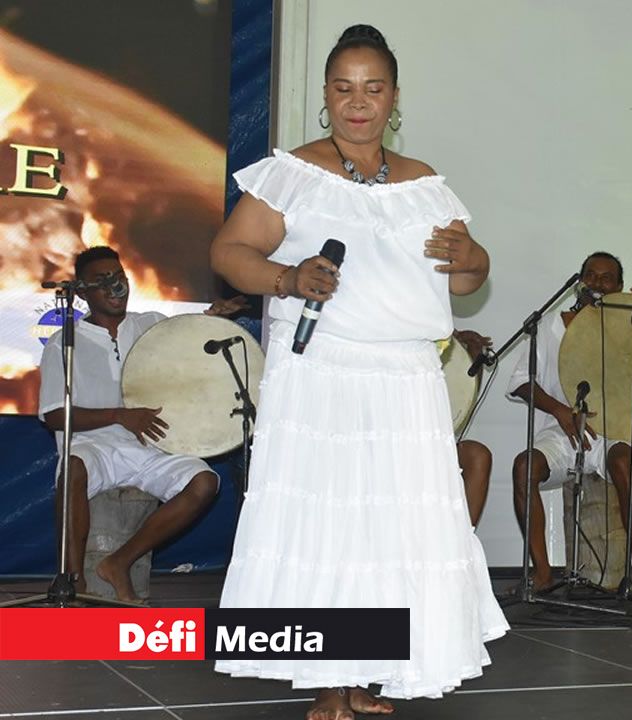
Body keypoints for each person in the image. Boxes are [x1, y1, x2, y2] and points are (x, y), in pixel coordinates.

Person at [208, 25, 507, 719]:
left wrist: (475, 257)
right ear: (326, 95)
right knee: (329, 521)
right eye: (344, 88)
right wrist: (286, 277)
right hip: (324, 375)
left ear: (394, 97)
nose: (358, 102)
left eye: (373, 88)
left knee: (390, 529)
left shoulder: (425, 183)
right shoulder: (295, 172)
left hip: (406, 379)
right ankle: (327, 680)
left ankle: (366, 671)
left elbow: (466, 278)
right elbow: (230, 252)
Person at [37, 245, 242, 603]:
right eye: (103, 280)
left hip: (150, 448)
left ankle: (119, 562)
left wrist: (213, 318)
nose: (116, 287)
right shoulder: (63, 343)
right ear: (82, 292)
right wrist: (119, 415)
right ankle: (73, 582)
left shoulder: (150, 325)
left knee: (204, 482)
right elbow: (54, 415)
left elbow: (192, 345)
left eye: (119, 277)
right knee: (71, 468)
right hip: (94, 449)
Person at [509, 252, 632, 600]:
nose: (597, 283)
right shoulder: (550, 325)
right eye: (591, 275)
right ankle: (542, 573)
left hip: (613, 430)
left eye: (606, 277)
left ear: (619, 286)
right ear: (579, 282)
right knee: (524, 467)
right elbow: (522, 382)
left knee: (624, 464)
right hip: (563, 430)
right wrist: (560, 411)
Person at [454, 329, 493, 528]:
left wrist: (472, 354)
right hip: (403, 438)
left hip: (439, 441)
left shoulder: (446, 332)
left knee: (477, 454)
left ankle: (462, 541)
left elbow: (462, 398)